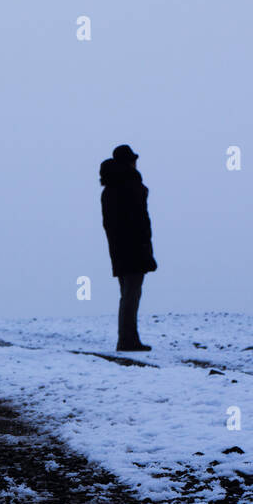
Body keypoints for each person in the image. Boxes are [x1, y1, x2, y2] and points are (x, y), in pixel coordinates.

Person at [99, 144, 156, 351]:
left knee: (129, 294)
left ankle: (128, 338)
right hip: (133, 248)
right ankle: (127, 340)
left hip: (121, 249)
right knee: (131, 294)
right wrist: (143, 247)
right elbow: (138, 222)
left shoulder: (110, 190)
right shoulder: (129, 187)